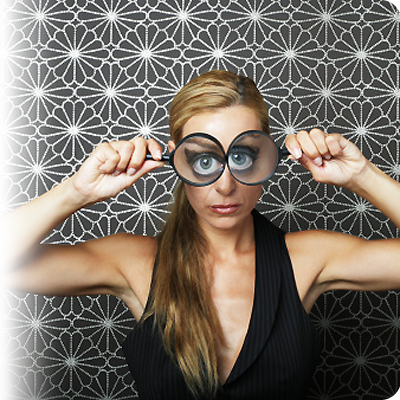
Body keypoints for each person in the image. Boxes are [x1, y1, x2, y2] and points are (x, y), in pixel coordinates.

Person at [0, 70, 399, 400]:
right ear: (177, 158)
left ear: (266, 156)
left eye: (242, 156)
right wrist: (77, 192)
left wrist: (362, 176)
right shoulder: (135, 262)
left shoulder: (307, 259)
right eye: (204, 159)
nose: (225, 185)